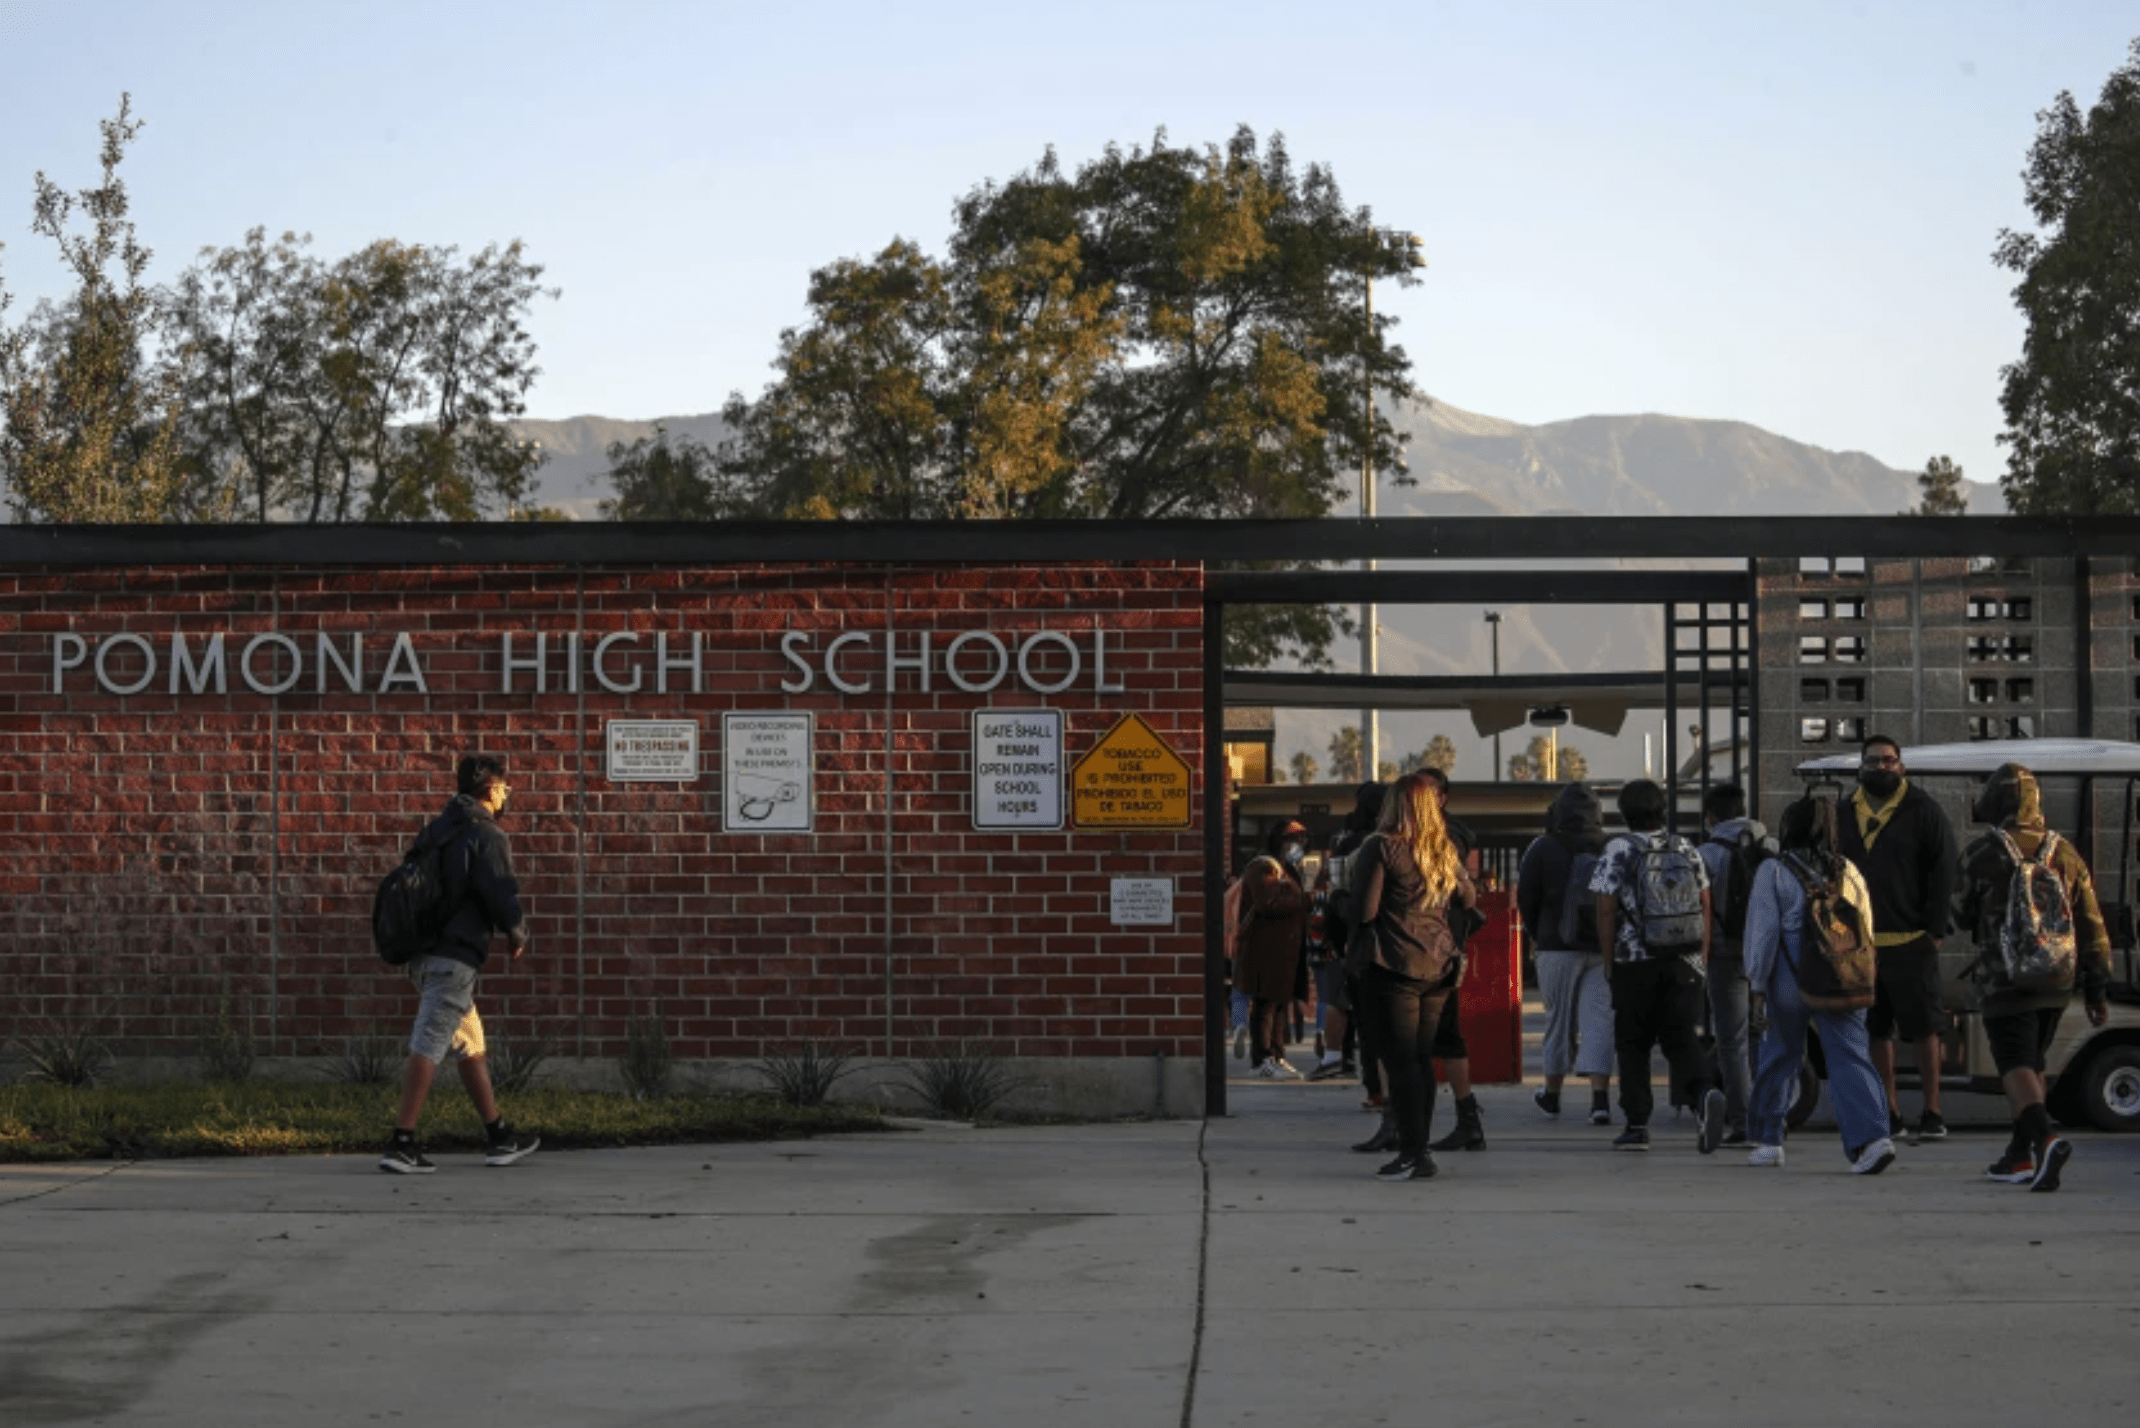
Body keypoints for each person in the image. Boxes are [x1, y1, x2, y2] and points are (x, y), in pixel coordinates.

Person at [379, 754, 541, 1174]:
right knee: (430, 1040)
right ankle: (402, 1142)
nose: (508, 794)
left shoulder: (438, 830)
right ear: (491, 788)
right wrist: (517, 931)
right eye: (505, 787)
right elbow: (498, 887)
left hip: (424, 954)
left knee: (470, 1045)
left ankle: (499, 1136)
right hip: (453, 958)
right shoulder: (486, 833)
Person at [1956, 763, 2112, 1192]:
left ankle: (2046, 1138)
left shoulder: (1982, 853)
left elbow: (1956, 912)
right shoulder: (2064, 853)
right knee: (2034, 1063)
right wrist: (2096, 986)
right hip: (2057, 982)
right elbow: (2091, 922)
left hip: (2004, 981)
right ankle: (2019, 1156)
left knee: (2015, 1064)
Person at [1742, 795, 1897, 1174]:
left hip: (1789, 977)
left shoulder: (1773, 872)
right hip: (1842, 976)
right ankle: (1872, 1139)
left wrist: (1757, 984)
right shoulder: (1849, 871)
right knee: (1849, 1055)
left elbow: (1762, 936)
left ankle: (1769, 1139)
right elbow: (1867, 929)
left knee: (1779, 1054)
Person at [1590, 778, 1727, 1153]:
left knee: (1633, 1043)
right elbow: (1704, 902)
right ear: (1662, 810)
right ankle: (1703, 1093)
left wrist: (1608, 960)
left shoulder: (1618, 848)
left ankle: (1636, 1125)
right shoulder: (1686, 847)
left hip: (1635, 961)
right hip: (1684, 960)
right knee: (1680, 1036)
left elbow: (1605, 907)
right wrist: (1701, 955)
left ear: (1624, 812)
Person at [1354, 771, 1478, 1181]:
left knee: (1401, 1061)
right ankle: (1419, 1148)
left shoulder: (1382, 847)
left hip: (1395, 962)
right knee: (1422, 1060)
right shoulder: (1442, 848)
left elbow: (1365, 912)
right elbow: (1468, 895)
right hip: (1439, 964)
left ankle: (1413, 1153)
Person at [1836, 735, 1961, 1142]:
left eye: (1889, 761)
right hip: (1862, 945)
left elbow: (1944, 872)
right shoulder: (1843, 811)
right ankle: (1888, 1110)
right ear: (1861, 767)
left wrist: (1935, 931)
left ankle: (1932, 1111)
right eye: (1873, 762)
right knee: (1876, 1030)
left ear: (1901, 766)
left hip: (1912, 940)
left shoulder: (1923, 811)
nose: (1881, 768)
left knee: (1925, 1029)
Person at [1517, 781, 1614, 1126]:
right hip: (1603, 947)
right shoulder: (1610, 847)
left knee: (1557, 1022)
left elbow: (1526, 898)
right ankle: (1599, 1101)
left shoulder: (1543, 847)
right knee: (1599, 1020)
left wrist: (1537, 932)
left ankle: (1552, 1095)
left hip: (1556, 946)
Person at [1417, 767, 1491, 1154]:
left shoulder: (1448, 838)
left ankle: (1463, 1120)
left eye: (1428, 793)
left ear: (1443, 798)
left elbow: (1459, 889)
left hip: (1438, 948)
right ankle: (1459, 1122)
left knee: (1442, 1034)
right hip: (1426, 946)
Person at [1696, 782, 1772, 1147]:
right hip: (1768, 954)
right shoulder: (1770, 847)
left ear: (1710, 816)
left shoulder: (1706, 854)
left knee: (1732, 1040)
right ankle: (1771, 1116)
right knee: (1766, 1037)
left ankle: (1743, 1122)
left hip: (1726, 954)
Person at [1236, 821, 1311, 1080]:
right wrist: (1305, 900)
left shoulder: (1287, 869)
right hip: (1264, 949)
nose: (1298, 845)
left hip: (1284, 950)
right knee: (1266, 1004)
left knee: (1280, 1004)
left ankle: (1277, 1056)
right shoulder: (1263, 867)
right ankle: (1262, 1058)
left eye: (1301, 840)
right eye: (1292, 839)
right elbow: (1268, 902)